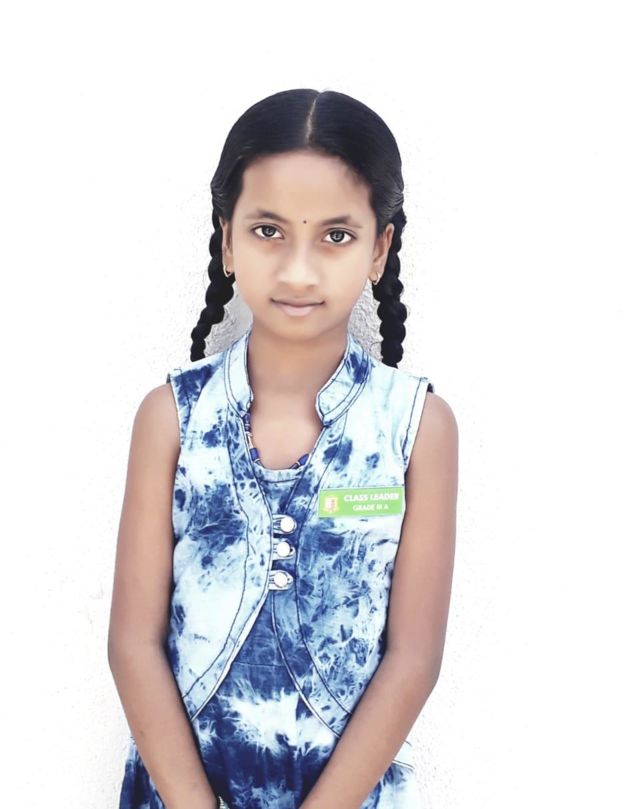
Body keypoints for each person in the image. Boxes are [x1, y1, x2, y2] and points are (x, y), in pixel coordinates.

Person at [108, 88, 458, 809]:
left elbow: (414, 658)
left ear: (380, 247)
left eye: (336, 236)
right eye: (268, 230)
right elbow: (133, 645)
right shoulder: (171, 418)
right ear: (227, 240)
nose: (299, 270)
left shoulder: (417, 427)